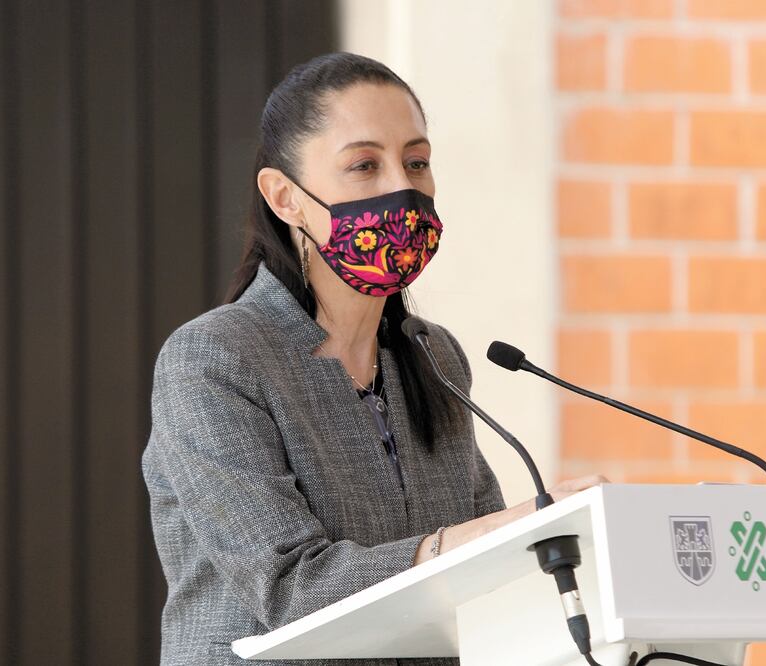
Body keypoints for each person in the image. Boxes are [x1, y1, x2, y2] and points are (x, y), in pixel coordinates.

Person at [141, 51, 608, 666]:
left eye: (417, 161)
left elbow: (493, 576)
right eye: (365, 165)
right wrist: (486, 535)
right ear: (286, 198)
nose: (401, 187)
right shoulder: (213, 361)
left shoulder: (432, 355)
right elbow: (287, 589)